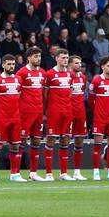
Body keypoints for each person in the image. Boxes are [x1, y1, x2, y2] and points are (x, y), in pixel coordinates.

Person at [0, 55, 23, 183]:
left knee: (15, 146)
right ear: (3, 65)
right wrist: (2, 109)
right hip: (2, 118)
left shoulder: (18, 79)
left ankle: (14, 174)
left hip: (16, 118)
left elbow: (19, 96)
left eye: (13, 64)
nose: (11, 66)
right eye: (9, 64)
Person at [15, 49, 48, 181]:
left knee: (36, 142)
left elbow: (44, 94)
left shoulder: (42, 72)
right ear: (29, 58)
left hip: (38, 112)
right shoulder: (22, 72)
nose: (38, 58)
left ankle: (33, 173)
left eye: (39, 56)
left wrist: (44, 111)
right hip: (25, 113)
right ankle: (15, 173)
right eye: (36, 56)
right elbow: (16, 92)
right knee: (21, 142)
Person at [43, 50, 74, 181]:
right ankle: (49, 173)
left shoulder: (70, 74)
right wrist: (46, 111)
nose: (65, 60)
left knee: (65, 140)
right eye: (63, 58)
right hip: (54, 111)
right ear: (56, 59)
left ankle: (64, 173)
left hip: (67, 111)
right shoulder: (49, 74)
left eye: (67, 58)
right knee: (50, 140)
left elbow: (70, 92)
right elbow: (45, 94)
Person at [89, 57, 109, 180]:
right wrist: (98, 111)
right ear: (102, 67)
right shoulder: (96, 81)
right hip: (100, 118)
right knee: (97, 145)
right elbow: (91, 101)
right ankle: (96, 172)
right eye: (108, 66)